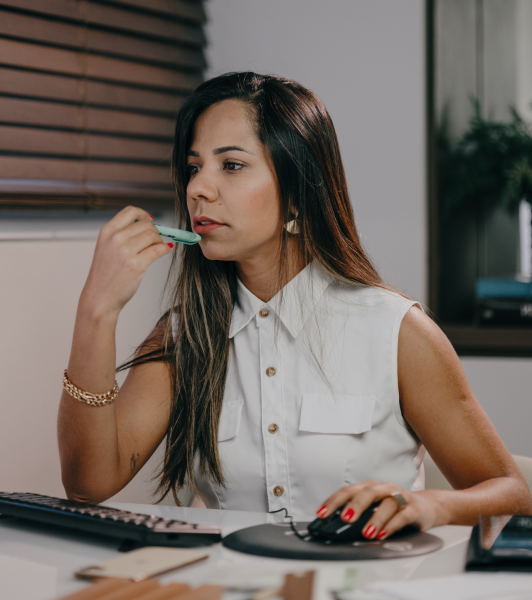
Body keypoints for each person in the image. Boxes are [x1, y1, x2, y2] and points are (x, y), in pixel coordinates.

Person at [58, 72, 532, 541]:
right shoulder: (185, 334)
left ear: (297, 195)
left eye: (232, 165)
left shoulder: (397, 331)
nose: (199, 188)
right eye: (194, 167)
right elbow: (88, 484)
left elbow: (512, 493)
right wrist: (96, 311)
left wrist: (429, 504)